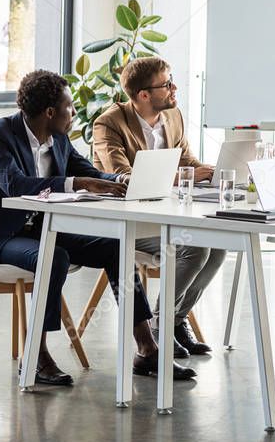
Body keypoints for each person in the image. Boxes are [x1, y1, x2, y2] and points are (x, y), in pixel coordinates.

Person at [0, 70, 196, 384]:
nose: (74, 114)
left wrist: (122, 180)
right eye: (69, 108)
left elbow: (88, 172)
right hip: (1, 237)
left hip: (44, 229)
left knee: (115, 246)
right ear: (50, 113)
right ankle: (36, 356)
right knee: (54, 256)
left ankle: (146, 349)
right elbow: (15, 185)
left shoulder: (58, 139)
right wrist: (75, 183)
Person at [92, 56, 222, 359]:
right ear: (144, 95)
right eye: (166, 84)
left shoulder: (172, 116)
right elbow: (120, 177)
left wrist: (214, 170)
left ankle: (174, 322)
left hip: (168, 215)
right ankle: (159, 329)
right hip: (127, 221)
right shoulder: (109, 123)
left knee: (218, 247)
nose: (174, 87)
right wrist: (184, 176)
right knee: (196, 249)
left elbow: (188, 161)